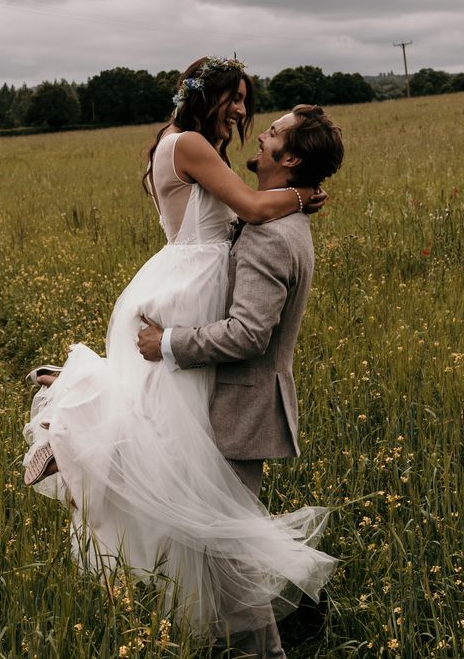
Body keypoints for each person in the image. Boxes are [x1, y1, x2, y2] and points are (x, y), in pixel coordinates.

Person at [21, 56, 336, 650]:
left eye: (248, 101)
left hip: (193, 278)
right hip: (195, 281)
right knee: (176, 432)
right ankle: (73, 419)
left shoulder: (183, 142)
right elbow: (250, 207)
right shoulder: (190, 142)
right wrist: (302, 194)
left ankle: (82, 413)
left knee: (172, 430)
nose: (244, 111)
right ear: (203, 96)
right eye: (233, 98)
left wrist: (290, 195)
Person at [137, 103, 345, 657]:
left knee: (225, 554)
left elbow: (249, 335)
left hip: (240, 409)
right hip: (233, 403)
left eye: (272, 133)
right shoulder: (272, 220)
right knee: (217, 545)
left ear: (289, 157)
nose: (259, 136)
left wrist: (170, 343)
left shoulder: (272, 237)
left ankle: (272, 647)